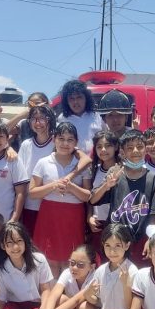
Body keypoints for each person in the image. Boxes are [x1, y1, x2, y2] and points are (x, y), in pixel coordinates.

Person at [29, 122, 93, 276]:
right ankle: (50, 295)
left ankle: (66, 295)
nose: (65, 143)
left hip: (73, 216)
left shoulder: (81, 166)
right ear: (53, 140)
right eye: (61, 138)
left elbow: (87, 196)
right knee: (48, 259)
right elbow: (32, 192)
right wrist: (53, 186)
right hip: (49, 215)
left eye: (70, 140)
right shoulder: (43, 163)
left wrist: (71, 187)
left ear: (76, 143)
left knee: (70, 259)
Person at [89, 129, 155, 267]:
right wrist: (106, 186)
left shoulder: (152, 177)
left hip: (140, 240)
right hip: (115, 238)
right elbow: (93, 200)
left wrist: (151, 238)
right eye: (130, 148)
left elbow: (153, 213)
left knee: (138, 279)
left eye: (139, 147)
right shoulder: (115, 173)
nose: (135, 151)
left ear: (146, 149)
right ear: (122, 151)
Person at [18, 105, 90, 234]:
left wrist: (68, 178)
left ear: (50, 120)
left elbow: (86, 160)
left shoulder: (62, 141)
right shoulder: (26, 145)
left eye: (42, 118)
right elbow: (21, 178)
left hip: (59, 205)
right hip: (31, 203)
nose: (38, 122)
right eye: (34, 118)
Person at [87, 131, 120, 255]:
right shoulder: (94, 170)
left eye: (108, 145)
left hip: (117, 223)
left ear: (116, 147)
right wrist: (89, 216)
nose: (103, 150)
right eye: (99, 146)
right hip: (98, 223)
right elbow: (90, 197)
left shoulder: (122, 169)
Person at [57, 79, 104, 155]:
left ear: (86, 98)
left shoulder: (96, 116)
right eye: (71, 98)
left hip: (96, 162)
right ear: (66, 101)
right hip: (72, 163)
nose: (75, 102)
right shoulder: (62, 119)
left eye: (79, 97)